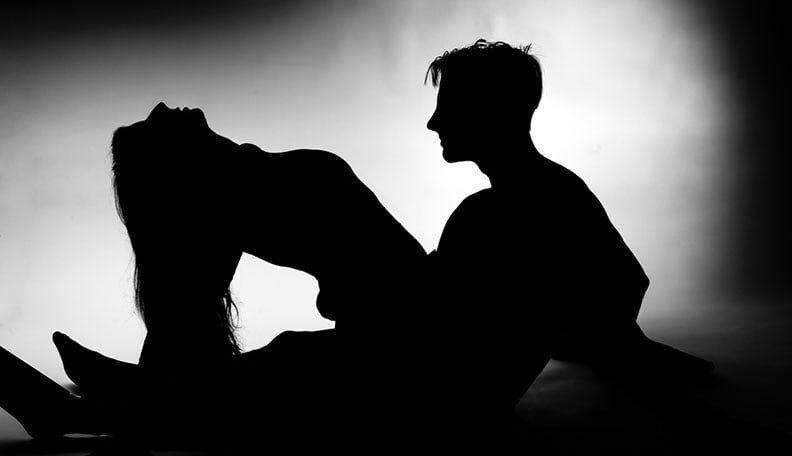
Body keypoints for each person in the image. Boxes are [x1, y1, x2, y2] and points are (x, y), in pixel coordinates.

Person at [422, 39, 715, 432]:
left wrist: (592, 338)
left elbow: (627, 282)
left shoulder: (520, 204)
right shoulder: (514, 202)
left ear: (489, 111)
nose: (433, 122)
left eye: (448, 106)